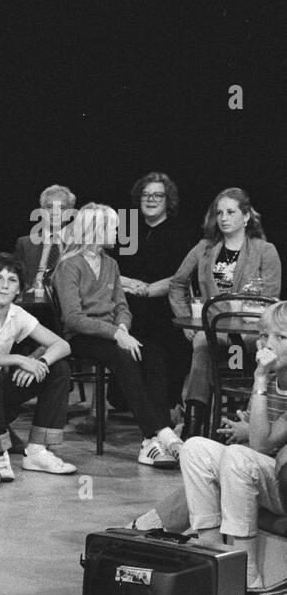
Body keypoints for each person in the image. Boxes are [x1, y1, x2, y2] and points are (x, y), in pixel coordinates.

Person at [163, 301, 287, 595]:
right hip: (263, 467)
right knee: (194, 449)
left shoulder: (264, 377)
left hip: (283, 484)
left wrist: (258, 381)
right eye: (263, 335)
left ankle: (247, 579)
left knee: (237, 457)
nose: (266, 344)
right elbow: (258, 436)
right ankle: (211, 553)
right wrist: (251, 425)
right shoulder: (274, 377)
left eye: (279, 337)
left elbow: (261, 443)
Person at [53, 203, 182, 466]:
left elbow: (122, 306)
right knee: (123, 356)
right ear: (95, 229)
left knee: (154, 353)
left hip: (111, 335)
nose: (117, 232)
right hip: (81, 337)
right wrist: (115, 334)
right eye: (113, 227)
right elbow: (73, 318)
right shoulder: (69, 266)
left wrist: (122, 328)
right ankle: (152, 437)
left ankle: (160, 432)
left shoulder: (111, 263)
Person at [168, 188, 280, 437]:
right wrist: (188, 324)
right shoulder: (204, 248)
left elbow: (271, 301)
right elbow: (176, 284)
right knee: (202, 345)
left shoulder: (265, 250)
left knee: (233, 350)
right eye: (219, 212)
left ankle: (244, 421)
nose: (223, 218)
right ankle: (192, 427)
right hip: (214, 332)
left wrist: (246, 308)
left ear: (246, 216)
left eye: (230, 212)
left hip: (250, 336)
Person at [0, 254, 76, 479]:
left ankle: (36, 450)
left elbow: (62, 345)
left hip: (0, 396)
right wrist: (20, 360)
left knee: (59, 369)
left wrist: (39, 361)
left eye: (12, 280)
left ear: (19, 290)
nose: (4, 285)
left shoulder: (17, 314)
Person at [117, 172, 192, 416]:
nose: (150, 199)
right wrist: (130, 284)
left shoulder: (181, 232)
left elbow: (181, 277)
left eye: (157, 195)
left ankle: (163, 406)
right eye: (146, 195)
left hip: (164, 304)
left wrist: (148, 290)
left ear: (167, 200)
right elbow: (112, 268)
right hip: (128, 302)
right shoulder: (128, 227)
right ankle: (128, 401)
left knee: (163, 334)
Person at [12, 184, 75, 290]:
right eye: (49, 207)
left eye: (62, 207)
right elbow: (15, 277)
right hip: (32, 301)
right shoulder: (25, 243)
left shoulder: (78, 244)